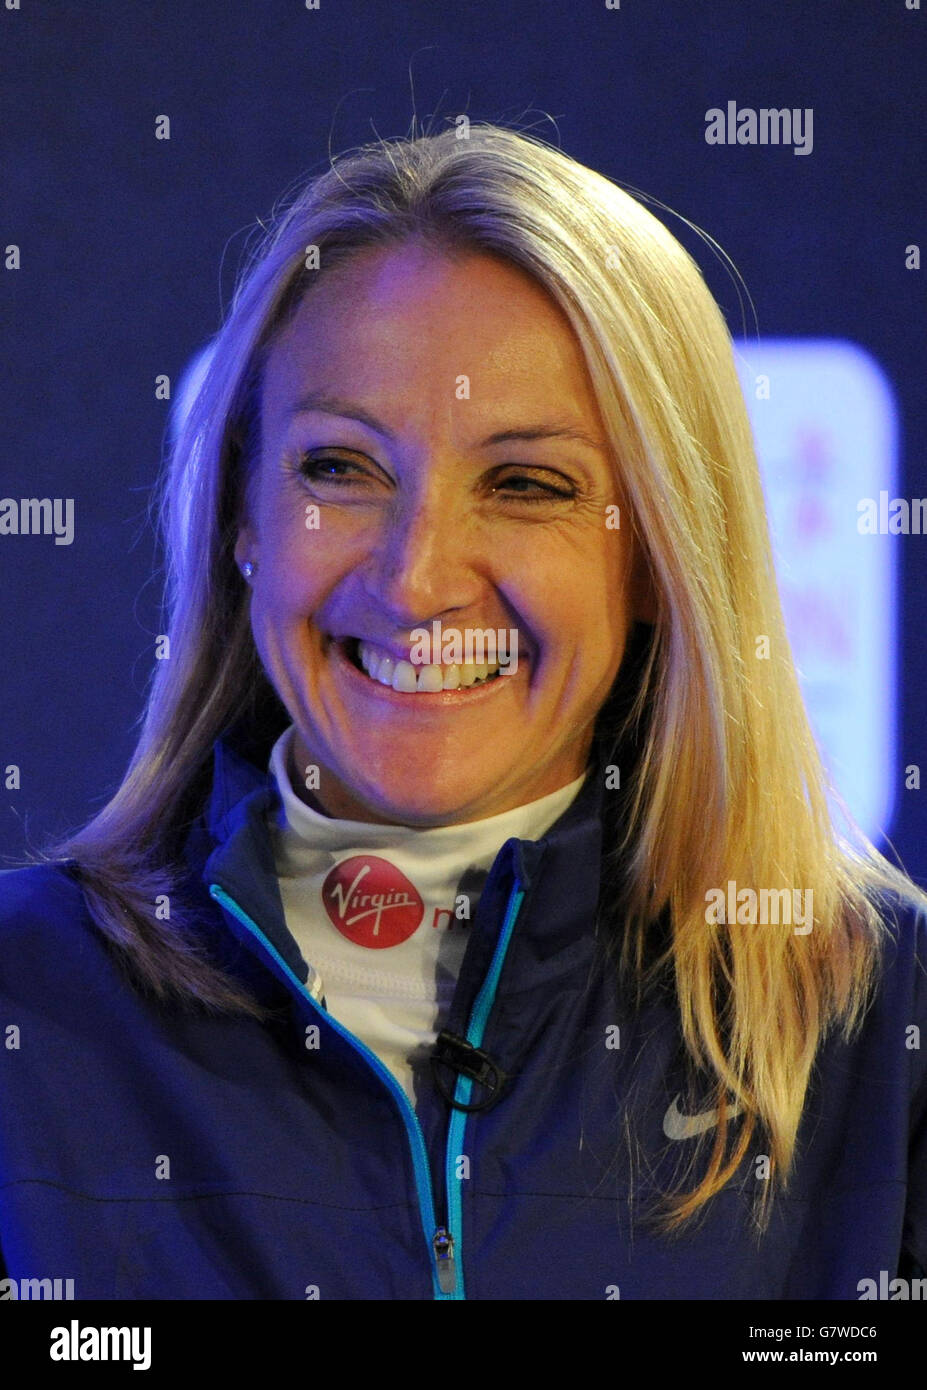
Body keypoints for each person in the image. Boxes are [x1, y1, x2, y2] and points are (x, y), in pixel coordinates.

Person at [1, 122, 925, 1302]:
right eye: (340, 468)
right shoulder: (23, 1000)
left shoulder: (884, 1020)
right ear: (242, 514)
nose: (416, 577)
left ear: (657, 552)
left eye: (527, 484)